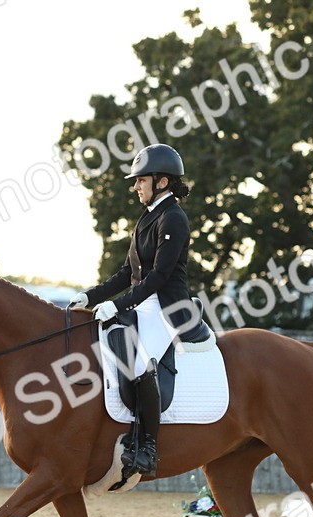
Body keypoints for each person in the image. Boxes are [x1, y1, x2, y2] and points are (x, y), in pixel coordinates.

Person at [69, 142, 193, 477]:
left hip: (167, 307)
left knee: (138, 363)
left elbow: (159, 277)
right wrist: (90, 297)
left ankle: (148, 446)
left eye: (140, 180)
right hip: (143, 302)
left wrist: (118, 304)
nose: (135, 185)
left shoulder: (173, 218)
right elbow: (127, 274)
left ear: (161, 182)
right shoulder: (147, 218)